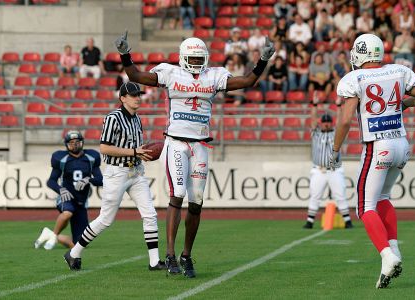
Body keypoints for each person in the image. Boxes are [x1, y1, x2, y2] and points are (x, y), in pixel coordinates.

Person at [114, 31, 275, 278]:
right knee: (177, 194)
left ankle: (186, 255)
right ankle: (169, 254)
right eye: (194, 59)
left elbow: (246, 81)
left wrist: (263, 60)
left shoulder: (214, 75)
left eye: (200, 59)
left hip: (200, 144)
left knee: (197, 203)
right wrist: (125, 54)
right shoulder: (171, 72)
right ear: (183, 57)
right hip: (176, 142)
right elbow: (136, 75)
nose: (197, 63)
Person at [330, 33, 415, 289]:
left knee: (365, 207)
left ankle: (387, 256)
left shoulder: (354, 78)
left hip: (378, 146)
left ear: (360, 53)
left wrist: (334, 149)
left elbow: (344, 120)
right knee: (384, 198)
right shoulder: (399, 70)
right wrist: (405, 104)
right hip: (401, 145)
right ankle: (395, 250)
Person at [64, 82, 166, 272]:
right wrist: (134, 151)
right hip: (116, 173)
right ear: (123, 98)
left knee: (150, 214)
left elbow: (136, 149)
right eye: (133, 95)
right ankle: (74, 252)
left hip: (136, 171)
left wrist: (142, 154)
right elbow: (104, 147)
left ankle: (154, 262)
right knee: (105, 219)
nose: (137, 97)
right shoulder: (113, 118)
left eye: (139, 94)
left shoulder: (137, 118)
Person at [34, 130, 103, 250]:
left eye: (77, 142)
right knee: (67, 213)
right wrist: (61, 190)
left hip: (81, 201)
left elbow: (101, 180)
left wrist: (88, 180)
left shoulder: (91, 157)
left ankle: (48, 233)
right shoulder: (61, 158)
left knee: (80, 244)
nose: (75, 144)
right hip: (66, 197)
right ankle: (54, 236)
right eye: (71, 142)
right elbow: (51, 181)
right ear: (66, 144)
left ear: (82, 143)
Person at [303, 94, 353, 229]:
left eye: (328, 122)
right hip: (319, 169)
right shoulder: (316, 133)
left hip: (334, 169)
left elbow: (341, 121)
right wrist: (314, 105)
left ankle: (347, 221)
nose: (326, 124)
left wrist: (338, 106)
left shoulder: (335, 132)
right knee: (315, 195)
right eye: (324, 122)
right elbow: (313, 120)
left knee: (340, 195)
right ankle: (310, 221)